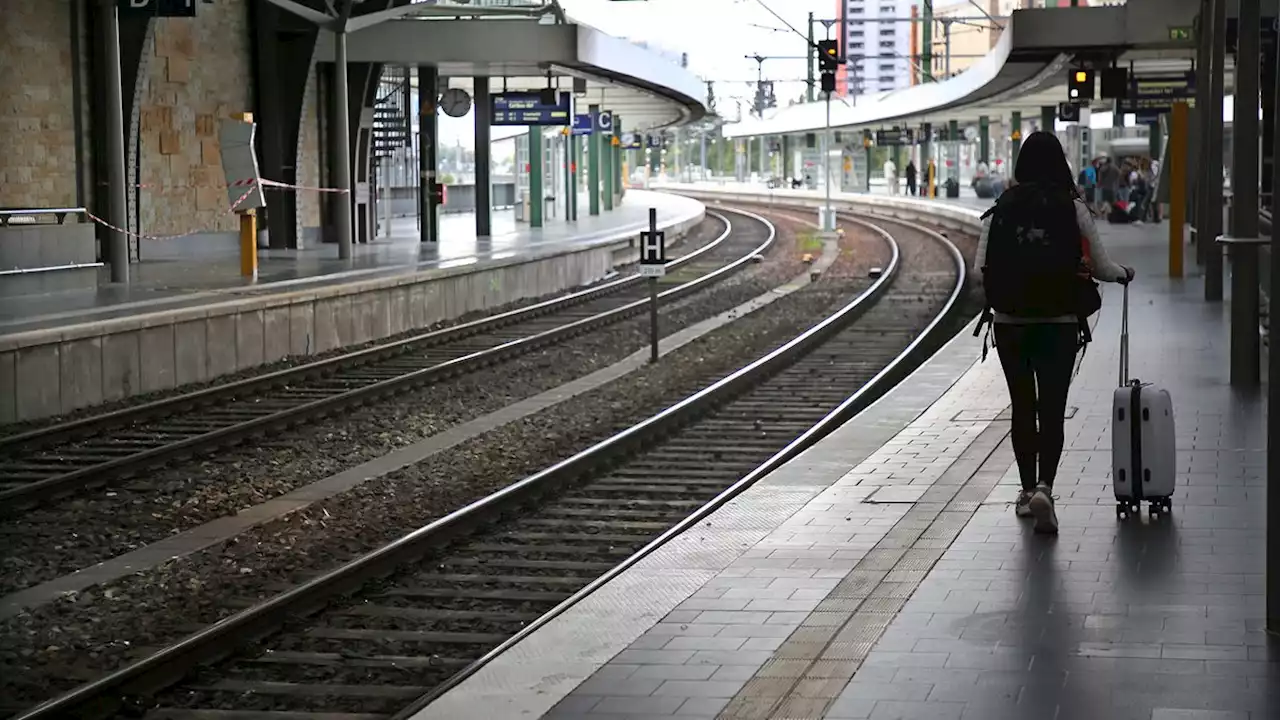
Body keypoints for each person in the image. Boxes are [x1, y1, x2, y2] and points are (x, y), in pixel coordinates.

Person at [974, 131, 1134, 534]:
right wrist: (1123, 274)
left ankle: (1026, 493)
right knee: (1052, 408)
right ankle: (1047, 487)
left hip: (1010, 325)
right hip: (1059, 325)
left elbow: (981, 268)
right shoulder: (1073, 207)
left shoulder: (1002, 206)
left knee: (1023, 408)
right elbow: (1101, 266)